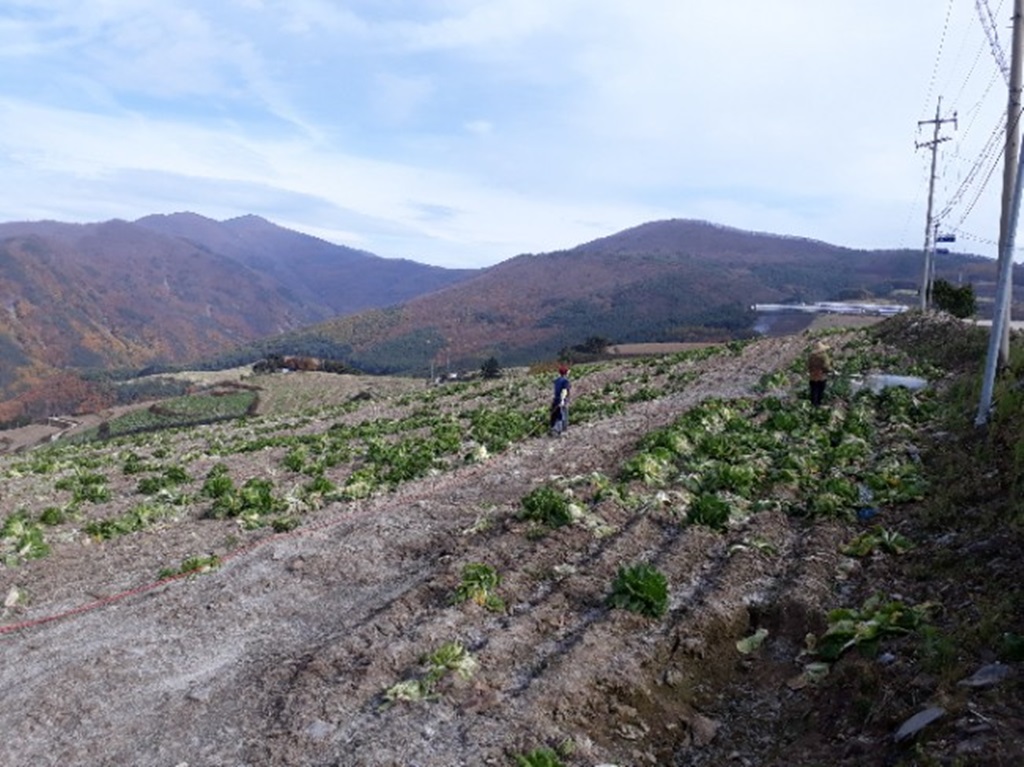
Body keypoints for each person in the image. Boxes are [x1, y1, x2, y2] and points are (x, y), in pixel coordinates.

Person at [807, 341, 831, 407]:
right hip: (821, 376)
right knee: (820, 391)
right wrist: (829, 370)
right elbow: (826, 366)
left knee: (814, 391)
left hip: (812, 377)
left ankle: (813, 405)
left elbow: (809, 366)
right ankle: (818, 405)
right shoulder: (824, 356)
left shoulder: (811, 357)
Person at [549, 364, 571, 435]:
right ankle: (561, 430)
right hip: (561, 400)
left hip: (556, 399)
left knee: (556, 415)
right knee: (563, 415)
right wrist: (562, 400)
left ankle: (554, 429)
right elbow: (564, 391)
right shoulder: (565, 381)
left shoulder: (557, 380)